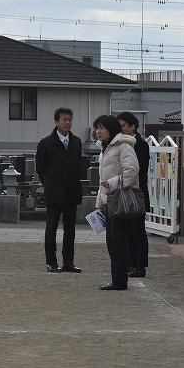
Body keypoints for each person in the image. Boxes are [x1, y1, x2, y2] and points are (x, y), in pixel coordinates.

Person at [94, 114, 139, 290]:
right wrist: (99, 203)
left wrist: (112, 183)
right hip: (110, 201)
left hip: (119, 200)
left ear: (111, 129)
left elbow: (132, 171)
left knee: (118, 242)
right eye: (97, 128)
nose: (98, 131)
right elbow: (102, 178)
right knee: (112, 242)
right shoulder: (105, 148)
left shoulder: (123, 146)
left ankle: (120, 280)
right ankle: (117, 279)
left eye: (102, 128)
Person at [35, 107, 83, 273]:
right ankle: (51, 262)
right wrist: (50, 184)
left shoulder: (76, 141)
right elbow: (41, 168)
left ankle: (68, 262)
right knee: (52, 228)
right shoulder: (46, 143)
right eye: (64, 119)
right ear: (56, 122)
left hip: (71, 191)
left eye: (70, 119)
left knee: (70, 230)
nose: (67, 122)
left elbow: (77, 165)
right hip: (54, 192)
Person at [117, 112, 150, 278]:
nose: (121, 129)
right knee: (128, 231)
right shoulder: (121, 144)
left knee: (138, 231)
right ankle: (131, 263)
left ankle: (140, 265)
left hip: (137, 192)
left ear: (132, 127)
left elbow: (139, 170)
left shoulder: (141, 144)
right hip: (125, 191)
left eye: (123, 126)